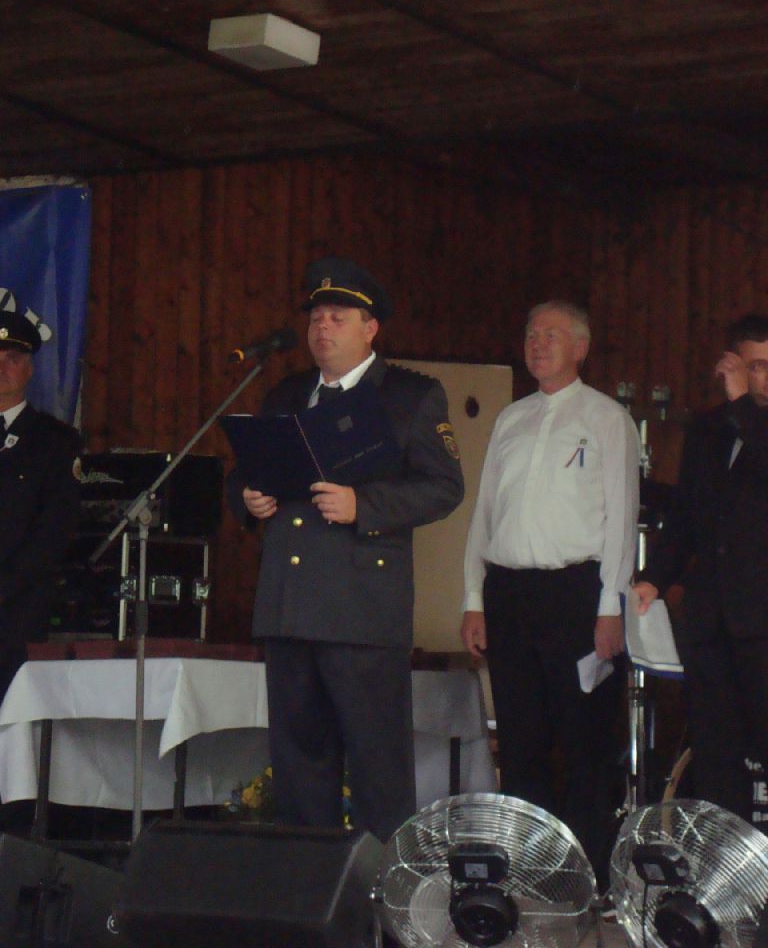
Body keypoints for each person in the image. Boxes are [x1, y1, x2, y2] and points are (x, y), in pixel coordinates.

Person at [227, 257, 464, 842]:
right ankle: (310, 886)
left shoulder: (409, 396)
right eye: (315, 318)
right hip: (290, 606)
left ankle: (384, 890)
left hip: (362, 610)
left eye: (337, 317)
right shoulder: (287, 394)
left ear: (370, 328)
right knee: (299, 770)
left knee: (377, 770)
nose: (322, 328)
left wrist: (365, 505)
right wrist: (248, 498)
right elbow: (244, 472)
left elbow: (443, 488)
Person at [461, 300, 639, 886]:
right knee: (519, 738)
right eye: (531, 334)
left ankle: (588, 877)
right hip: (510, 591)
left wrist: (609, 606)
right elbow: (485, 514)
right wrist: (473, 597)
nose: (537, 343)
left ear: (581, 348)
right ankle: (526, 871)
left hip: (576, 594)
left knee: (584, 740)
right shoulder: (510, 419)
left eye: (551, 335)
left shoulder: (606, 417)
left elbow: (621, 519)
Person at [634, 314, 768, 822]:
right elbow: (686, 516)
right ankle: (724, 861)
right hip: (711, 619)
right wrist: (655, 577)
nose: (763, 377)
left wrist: (744, 406)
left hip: (763, 621)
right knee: (716, 753)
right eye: (755, 366)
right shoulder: (708, 430)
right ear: (730, 365)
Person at [0, 310, 81, 700]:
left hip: (16, 614)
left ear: (30, 369)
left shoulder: (55, 441)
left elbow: (54, 532)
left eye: (12, 359)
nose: (1, 368)